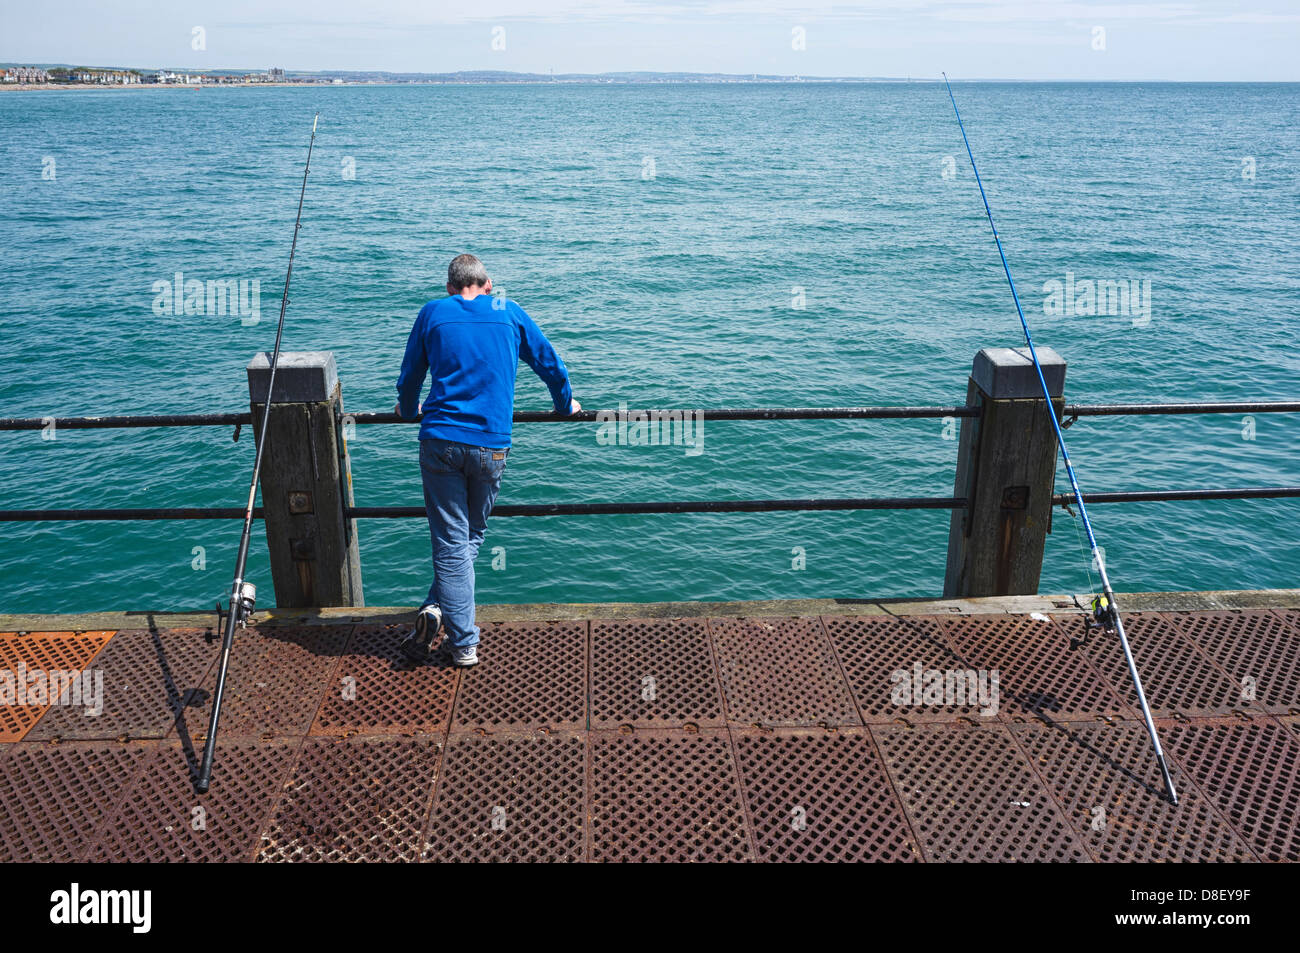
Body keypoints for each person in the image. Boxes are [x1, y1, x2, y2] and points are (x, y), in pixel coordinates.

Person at [394, 253, 580, 666]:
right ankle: (458, 634)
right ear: (489, 284)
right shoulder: (509, 311)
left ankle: (451, 627)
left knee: (451, 541)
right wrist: (564, 405)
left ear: (450, 287)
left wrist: (408, 411)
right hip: (491, 445)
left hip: (440, 440)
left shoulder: (433, 313)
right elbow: (550, 364)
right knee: (470, 535)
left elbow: (410, 377)